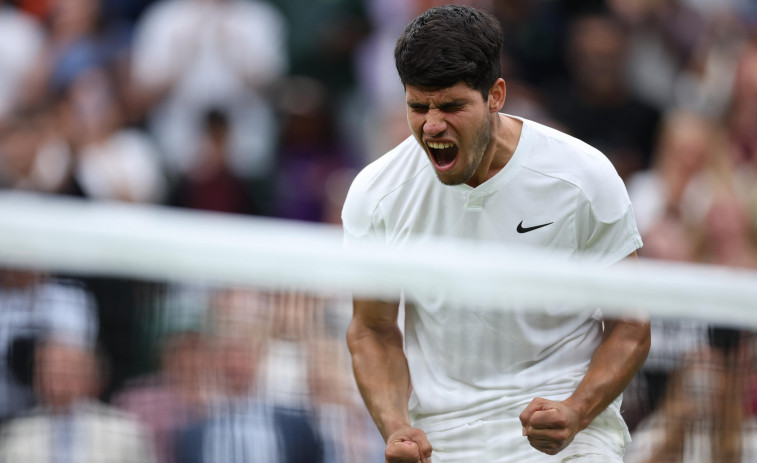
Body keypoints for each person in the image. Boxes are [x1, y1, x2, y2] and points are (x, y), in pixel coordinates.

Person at [341, 5, 651, 463]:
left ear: (496, 95)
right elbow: (372, 329)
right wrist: (396, 429)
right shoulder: (378, 193)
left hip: (572, 439)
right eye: (417, 106)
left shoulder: (583, 176)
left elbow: (631, 324)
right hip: (444, 441)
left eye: (450, 106)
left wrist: (577, 411)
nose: (431, 125)